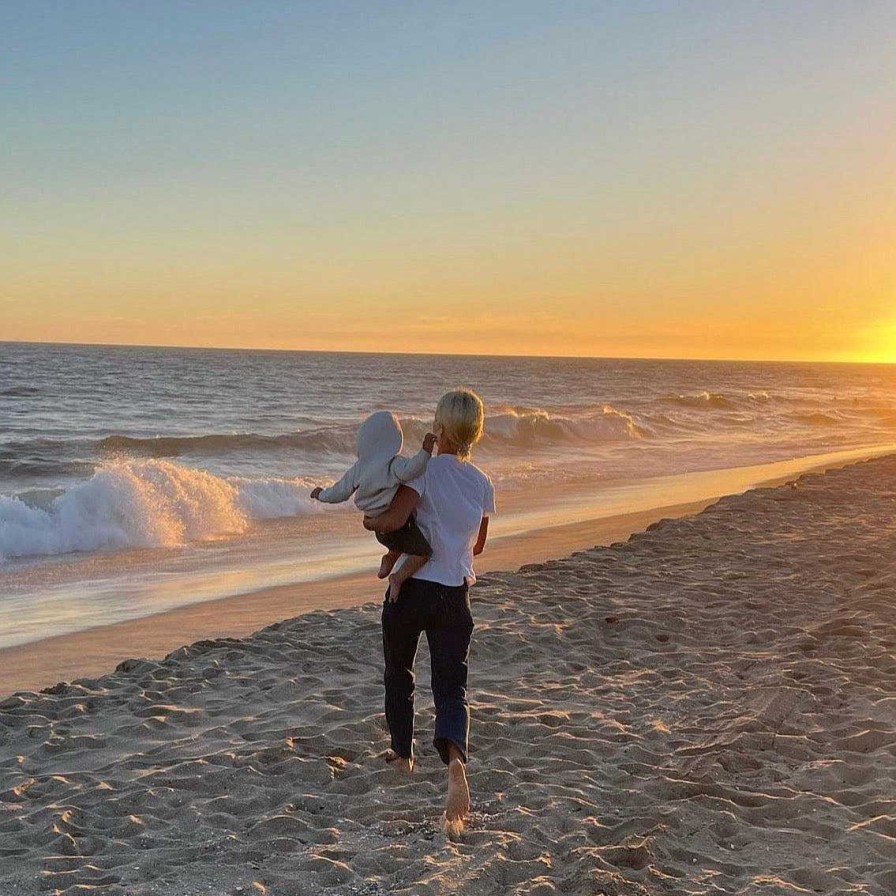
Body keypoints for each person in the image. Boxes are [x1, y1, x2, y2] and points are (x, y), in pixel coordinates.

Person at [363, 388, 494, 838]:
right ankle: (456, 761)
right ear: (474, 432)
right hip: (456, 594)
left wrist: (371, 521)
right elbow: (477, 545)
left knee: (399, 672)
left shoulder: (422, 475)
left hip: (413, 590)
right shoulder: (481, 482)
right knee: (451, 686)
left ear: (439, 427)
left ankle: (403, 752)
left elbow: (397, 520)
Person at [309, 411, 436, 599]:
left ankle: (389, 559)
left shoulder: (358, 468)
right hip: (395, 521)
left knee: (400, 542)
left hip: (377, 527)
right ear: (395, 438)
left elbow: (339, 492)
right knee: (424, 552)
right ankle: (398, 578)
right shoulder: (394, 464)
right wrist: (425, 452)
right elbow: (413, 470)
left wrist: (321, 494)